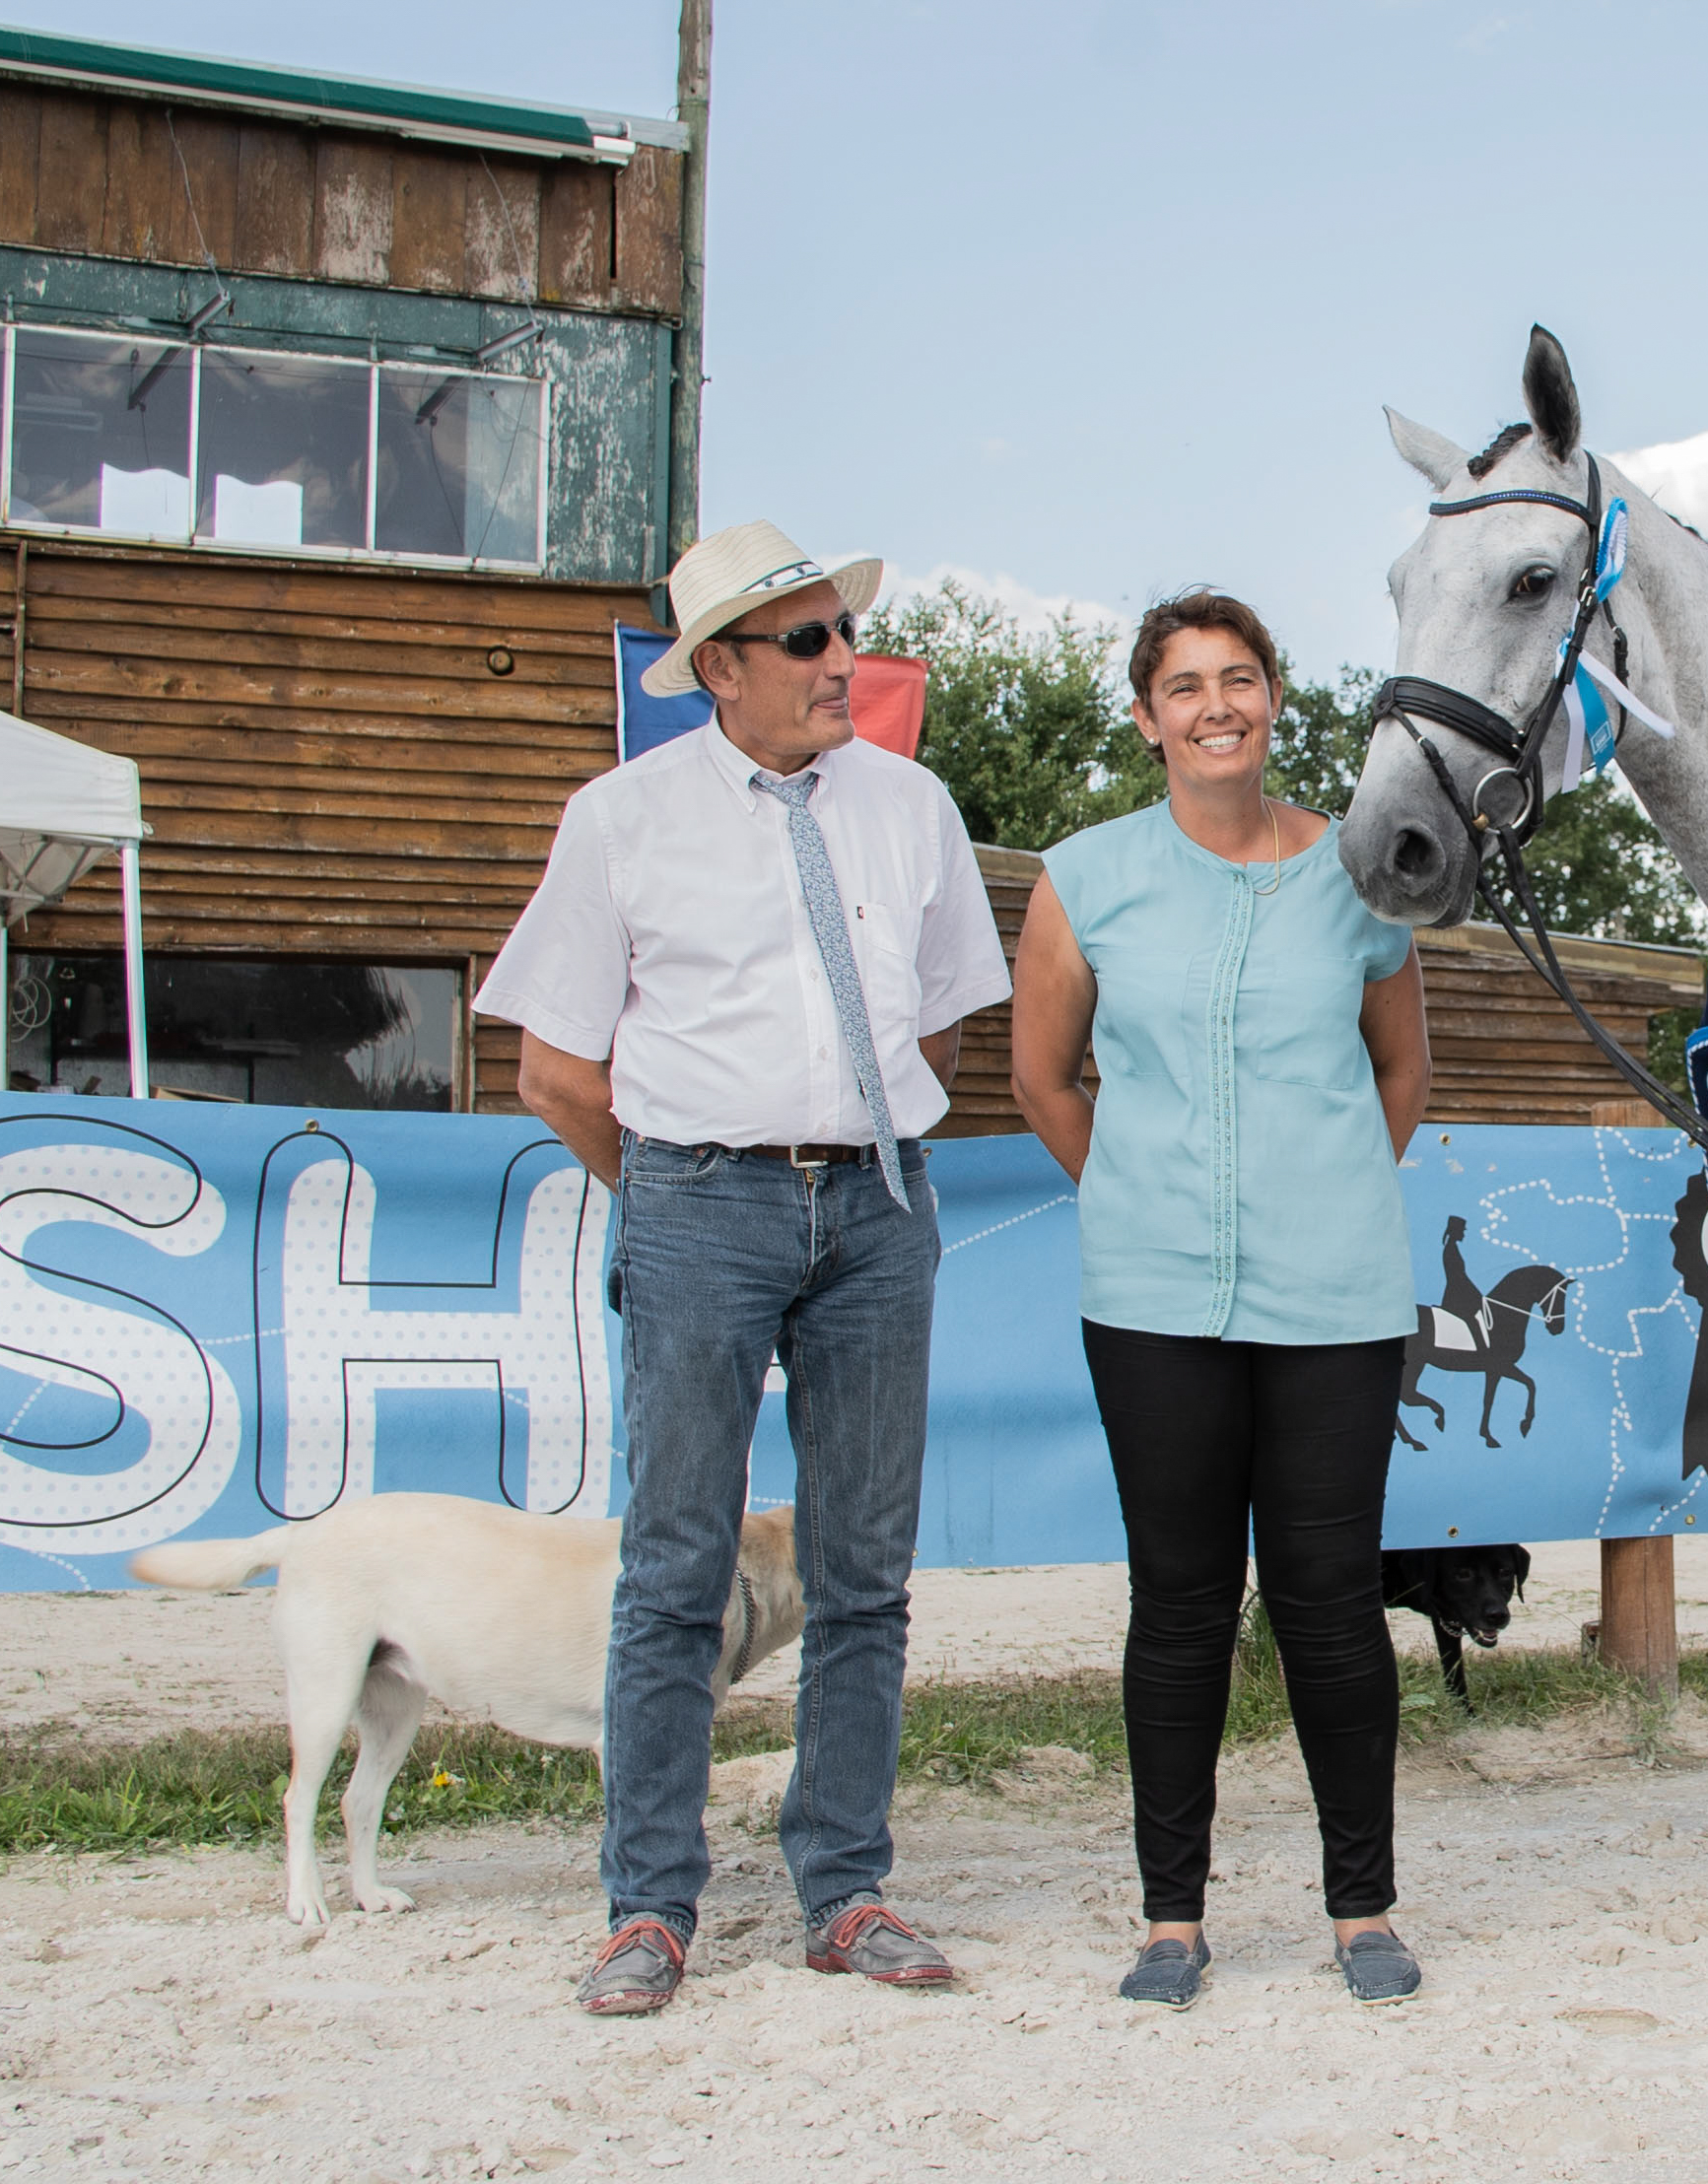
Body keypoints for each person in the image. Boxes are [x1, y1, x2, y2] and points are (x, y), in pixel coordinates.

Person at [477, 519, 1011, 2015]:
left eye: (846, 631)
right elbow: (553, 1071)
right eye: (809, 640)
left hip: (877, 1206)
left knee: (864, 1571)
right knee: (675, 1565)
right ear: (718, 668)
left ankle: (845, 1887)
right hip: (698, 1199)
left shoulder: (912, 805)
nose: (846, 661)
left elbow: (940, 1026)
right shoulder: (620, 818)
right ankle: (650, 1906)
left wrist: (842, 1140)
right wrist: (681, 1191)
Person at [1006, 587, 1435, 2012]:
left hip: (1338, 1302)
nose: (1215, 707)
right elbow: (1042, 1079)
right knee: (1181, 1605)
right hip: (1152, 1302)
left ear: (1273, 698)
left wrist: (1326, 1196)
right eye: (1185, 686)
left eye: (1238, 678)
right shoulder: (1085, 878)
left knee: (1331, 1605)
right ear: (1148, 718)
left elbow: (1401, 1069)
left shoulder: (1361, 874)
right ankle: (1172, 1918)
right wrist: (1139, 1194)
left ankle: (1363, 1907)